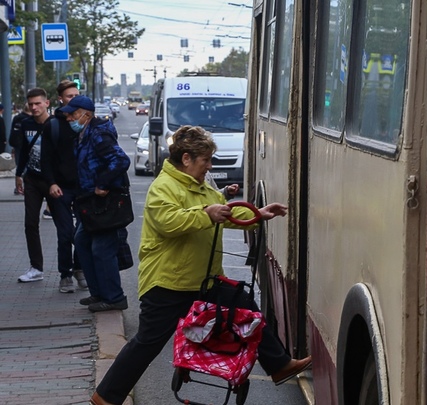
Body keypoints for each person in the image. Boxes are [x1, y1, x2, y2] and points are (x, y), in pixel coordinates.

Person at [89, 125, 312, 405]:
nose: (209, 166)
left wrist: (258, 214)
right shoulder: (163, 187)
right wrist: (205, 213)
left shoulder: (200, 185)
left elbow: (223, 213)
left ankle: (279, 366)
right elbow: (170, 222)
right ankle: (105, 397)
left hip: (203, 280)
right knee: (147, 343)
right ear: (186, 159)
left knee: (245, 306)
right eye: (205, 160)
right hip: (168, 282)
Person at [60, 95, 130, 312]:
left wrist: (102, 183)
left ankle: (114, 297)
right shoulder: (83, 134)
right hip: (89, 202)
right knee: (81, 241)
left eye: (73, 114)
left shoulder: (99, 133)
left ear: (86, 115)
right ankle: (99, 293)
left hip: (104, 202)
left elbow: (121, 160)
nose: (69, 117)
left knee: (102, 249)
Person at [40, 80, 87, 292]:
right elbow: (46, 159)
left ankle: (80, 269)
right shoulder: (53, 125)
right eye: (69, 96)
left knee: (83, 231)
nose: (74, 99)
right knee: (65, 232)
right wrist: (51, 183)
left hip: (83, 187)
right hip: (59, 188)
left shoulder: (84, 122)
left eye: (76, 95)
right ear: (61, 99)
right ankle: (65, 275)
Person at [15, 88, 53, 282]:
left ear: (47, 103)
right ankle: (36, 268)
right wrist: (18, 174)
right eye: (31, 104)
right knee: (30, 223)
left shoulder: (55, 124)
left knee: (65, 227)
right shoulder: (26, 124)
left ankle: (70, 270)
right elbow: (23, 151)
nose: (34, 107)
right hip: (31, 179)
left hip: (53, 181)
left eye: (38, 103)